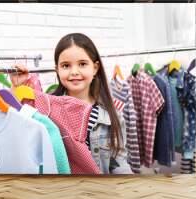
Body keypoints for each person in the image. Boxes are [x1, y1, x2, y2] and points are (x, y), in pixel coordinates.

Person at [11, 33, 132, 174]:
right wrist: (16, 86)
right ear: (57, 69)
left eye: (82, 64)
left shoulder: (113, 115)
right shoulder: (46, 109)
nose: (74, 72)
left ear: (95, 68)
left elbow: (119, 163)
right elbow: (16, 119)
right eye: (66, 65)